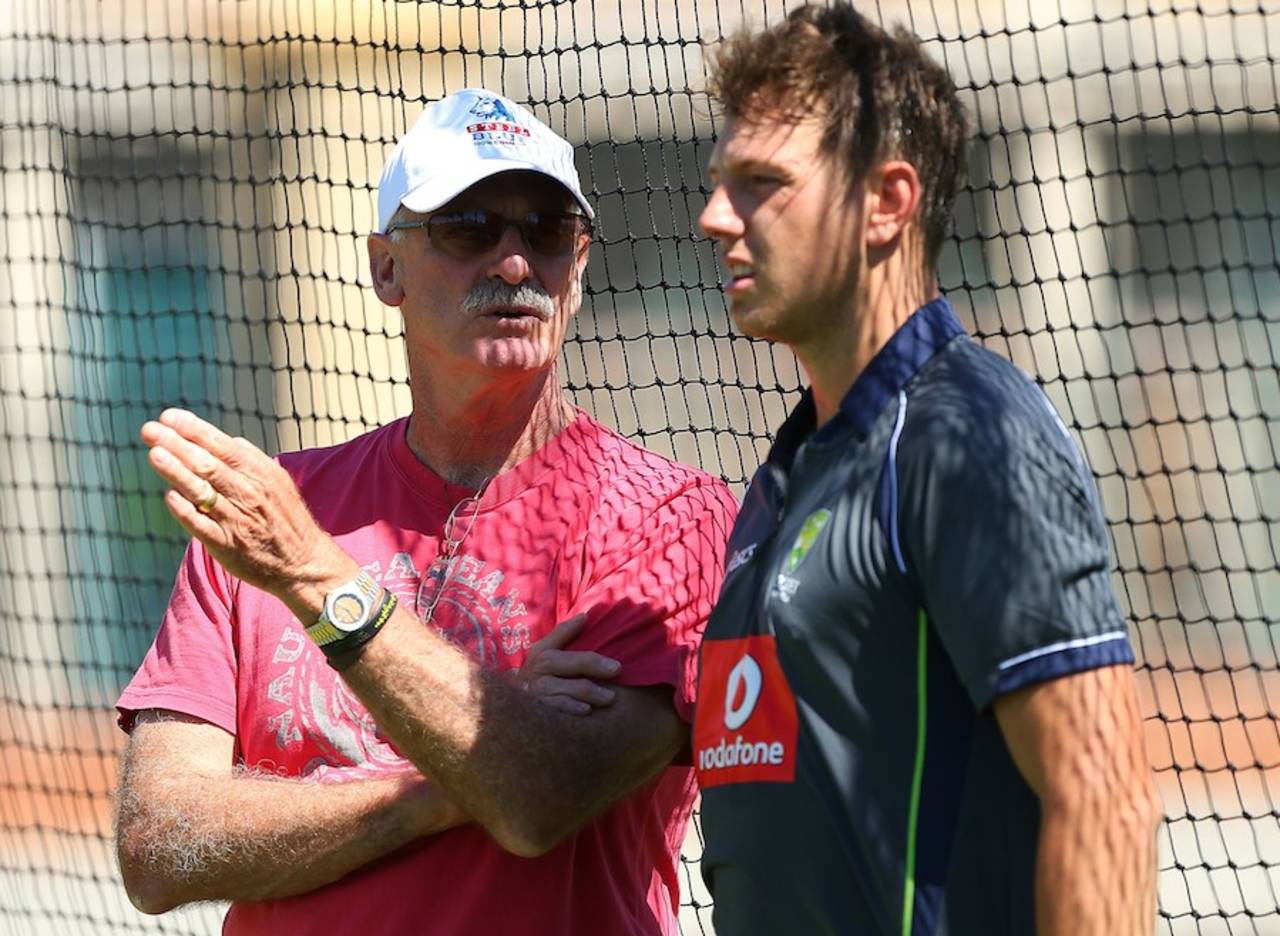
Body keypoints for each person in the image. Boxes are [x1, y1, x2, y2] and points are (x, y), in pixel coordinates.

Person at [114, 87, 738, 935]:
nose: (515, 262)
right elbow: (158, 845)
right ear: (385, 268)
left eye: (547, 231)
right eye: (469, 228)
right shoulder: (268, 517)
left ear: (580, 268)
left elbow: (538, 796)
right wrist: (449, 778)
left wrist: (314, 574)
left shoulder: (671, 519)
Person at [690, 5, 1162, 935]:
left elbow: (1105, 798)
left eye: (761, 184)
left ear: (888, 202)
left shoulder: (968, 436)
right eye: (720, 183)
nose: (714, 217)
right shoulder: (794, 468)